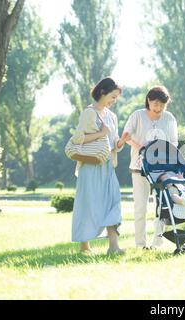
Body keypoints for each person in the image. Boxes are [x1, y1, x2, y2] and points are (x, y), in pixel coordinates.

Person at [70, 77, 127, 255]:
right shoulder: (89, 113)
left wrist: (121, 142)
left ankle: (113, 246)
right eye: (113, 96)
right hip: (91, 165)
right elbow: (78, 139)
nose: (114, 101)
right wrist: (101, 133)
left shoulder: (112, 116)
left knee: (113, 202)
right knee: (88, 204)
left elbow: (114, 141)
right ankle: (84, 246)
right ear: (102, 92)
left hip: (108, 165)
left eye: (116, 97)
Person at [121, 85, 178, 249]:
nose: (158, 108)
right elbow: (127, 136)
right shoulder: (137, 115)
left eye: (162, 105)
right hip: (140, 168)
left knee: (162, 206)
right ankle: (140, 244)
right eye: (155, 104)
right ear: (149, 101)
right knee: (140, 207)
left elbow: (173, 142)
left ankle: (157, 243)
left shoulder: (169, 118)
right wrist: (141, 148)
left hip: (162, 170)